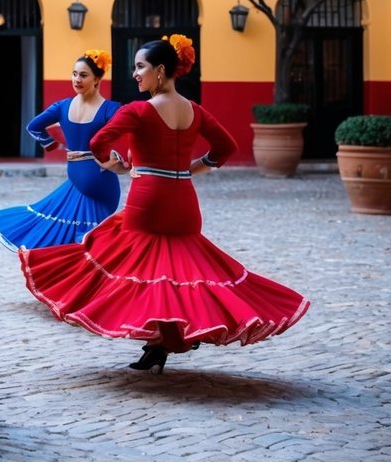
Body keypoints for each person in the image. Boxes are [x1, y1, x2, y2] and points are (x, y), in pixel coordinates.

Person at [19, 36, 309, 374]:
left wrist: (115, 164)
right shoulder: (193, 110)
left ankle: (160, 334)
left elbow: (99, 142)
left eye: (140, 67)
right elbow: (225, 147)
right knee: (177, 269)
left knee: (126, 261)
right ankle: (165, 340)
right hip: (184, 200)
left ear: (160, 71)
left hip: (149, 200)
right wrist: (192, 169)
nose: (135, 74)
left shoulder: (139, 110)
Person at [0, 50, 122, 250]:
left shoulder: (109, 109)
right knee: (87, 243)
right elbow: (32, 126)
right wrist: (53, 144)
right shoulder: (68, 107)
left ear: (98, 78)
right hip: (86, 179)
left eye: (83, 75)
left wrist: (118, 160)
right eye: (74, 74)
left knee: (87, 242)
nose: (77, 79)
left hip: (100, 184)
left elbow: (34, 128)